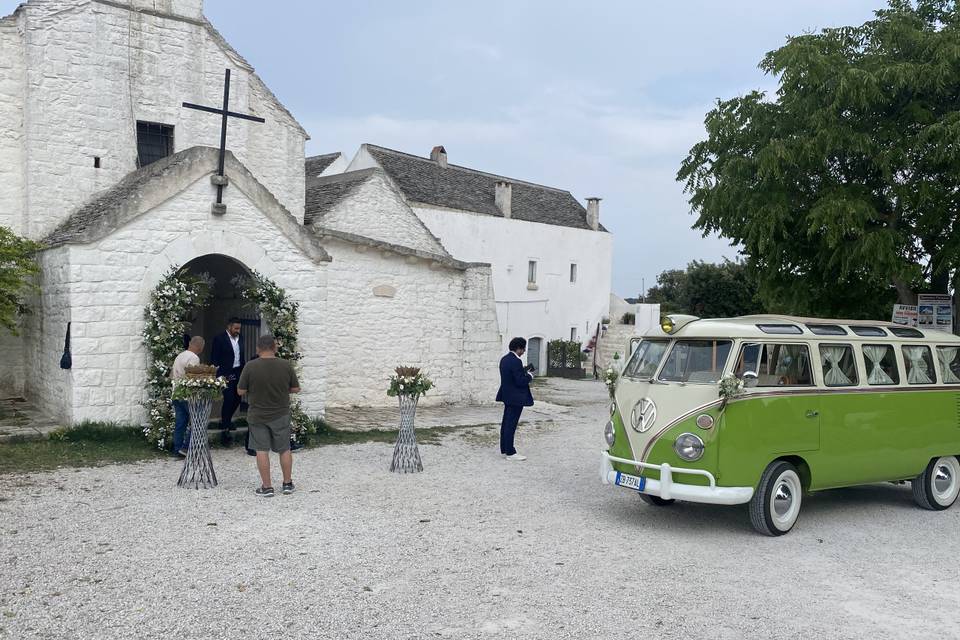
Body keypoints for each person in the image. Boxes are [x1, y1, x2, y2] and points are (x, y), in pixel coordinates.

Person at [238, 334, 301, 497]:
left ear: (258, 348)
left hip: (258, 414)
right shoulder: (285, 365)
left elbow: (240, 390)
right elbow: (295, 389)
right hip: (280, 412)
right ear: (275, 347)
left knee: (261, 450)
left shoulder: (250, 366)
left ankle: (267, 487)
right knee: (284, 449)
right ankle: (287, 484)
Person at [496, 337, 535, 461]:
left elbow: (511, 377)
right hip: (516, 397)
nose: (523, 351)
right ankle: (511, 453)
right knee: (511, 425)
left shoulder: (504, 359)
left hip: (507, 395)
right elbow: (520, 381)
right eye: (523, 349)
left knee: (506, 423)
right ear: (518, 348)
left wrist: (522, 372)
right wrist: (529, 376)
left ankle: (504, 449)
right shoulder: (516, 361)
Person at [211, 317, 246, 448]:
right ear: (229, 327)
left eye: (239, 328)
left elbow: (241, 356)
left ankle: (226, 420)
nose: (238, 331)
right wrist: (218, 375)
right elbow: (214, 358)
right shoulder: (219, 339)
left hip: (238, 371)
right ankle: (225, 429)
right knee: (229, 398)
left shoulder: (240, 338)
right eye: (236, 328)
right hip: (225, 373)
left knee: (237, 398)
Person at [170, 336, 205, 457]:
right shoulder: (194, 358)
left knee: (180, 423)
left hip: (176, 392)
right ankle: (186, 447)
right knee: (197, 421)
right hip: (187, 395)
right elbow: (193, 377)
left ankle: (177, 449)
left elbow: (172, 374)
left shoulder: (180, 355)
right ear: (200, 347)